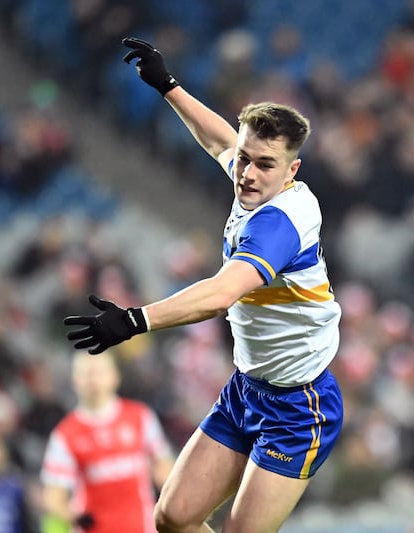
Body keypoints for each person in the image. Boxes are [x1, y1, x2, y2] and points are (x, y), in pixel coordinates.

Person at [63, 37, 344, 533]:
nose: (247, 173)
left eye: (264, 165)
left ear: (292, 170)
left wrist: (134, 320)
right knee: (173, 517)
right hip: (246, 388)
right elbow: (221, 142)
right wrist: (169, 88)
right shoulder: (251, 175)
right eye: (247, 159)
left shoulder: (281, 223)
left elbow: (219, 295)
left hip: (300, 408)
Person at [40, 351, 174, 533]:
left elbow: (163, 470)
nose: (93, 379)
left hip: (142, 527)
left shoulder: (140, 417)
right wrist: (75, 517)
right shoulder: (65, 434)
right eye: (86, 373)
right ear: (74, 380)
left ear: (115, 376)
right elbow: (53, 496)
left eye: (99, 372)